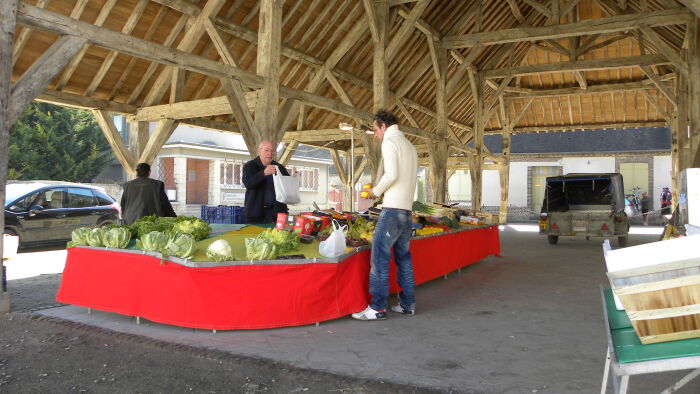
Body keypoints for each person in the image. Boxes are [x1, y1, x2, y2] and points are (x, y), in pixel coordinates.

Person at [352, 110, 418, 321]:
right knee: (404, 259)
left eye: (375, 129)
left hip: (391, 210)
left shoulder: (390, 143)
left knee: (379, 259)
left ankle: (377, 307)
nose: (375, 134)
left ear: (383, 126)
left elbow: (392, 175)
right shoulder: (409, 145)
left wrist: (375, 191)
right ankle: (408, 304)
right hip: (407, 210)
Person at [242, 140, 290, 224]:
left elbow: (287, 187)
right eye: (267, 150)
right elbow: (248, 184)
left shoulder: (279, 167)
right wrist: (263, 173)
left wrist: (295, 180)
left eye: (272, 151)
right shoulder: (250, 166)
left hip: (277, 215)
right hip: (255, 215)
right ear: (259, 151)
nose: (270, 153)